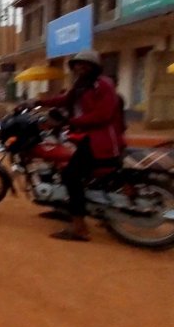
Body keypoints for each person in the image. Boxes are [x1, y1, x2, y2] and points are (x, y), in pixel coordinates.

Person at [29, 50, 125, 242]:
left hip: (102, 141)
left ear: (95, 67)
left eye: (86, 64)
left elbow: (103, 115)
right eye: (78, 64)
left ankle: (79, 228)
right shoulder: (82, 85)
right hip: (87, 137)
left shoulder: (103, 85)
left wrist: (70, 122)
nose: (81, 67)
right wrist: (37, 102)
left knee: (71, 175)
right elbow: (65, 99)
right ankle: (67, 208)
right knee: (66, 167)